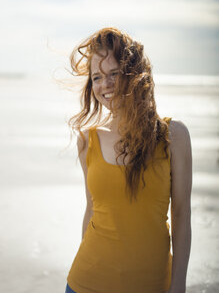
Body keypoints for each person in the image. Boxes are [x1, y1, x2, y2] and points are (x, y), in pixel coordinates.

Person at [65, 27, 192, 293]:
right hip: (85, 283)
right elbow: (91, 210)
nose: (105, 85)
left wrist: (178, 283)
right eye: (97, 77)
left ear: (134, 74)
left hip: (153, 284)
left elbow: (180, 214)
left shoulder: (173, 135)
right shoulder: (88, 140)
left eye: (114, 74)